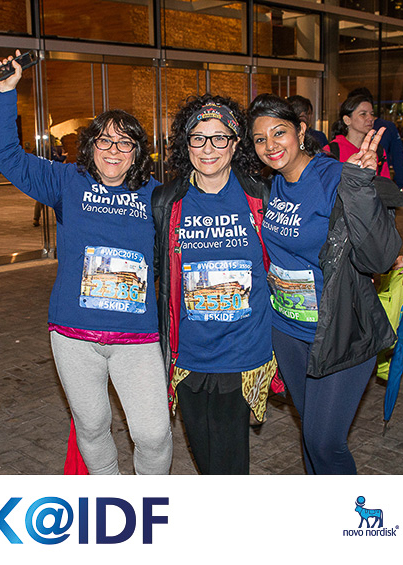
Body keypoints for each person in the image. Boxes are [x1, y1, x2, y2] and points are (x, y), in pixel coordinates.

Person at [0, 51, 172, 475]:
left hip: (138, 337)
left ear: (137, 153)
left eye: (124, 143)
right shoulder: (67, 181)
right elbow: (7, 155)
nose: (114, 150)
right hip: (73, 335)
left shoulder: (158, 196)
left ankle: (150, 499)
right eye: (104, 140)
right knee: (92, 426)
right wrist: (5, 92)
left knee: (153, 434)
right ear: (90, 146)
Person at [249, 93, 402, 474]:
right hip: (288, 332)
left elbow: (380, 257)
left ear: (301, 131)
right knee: (310, 432)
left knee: (324, 441)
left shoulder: (334, 176)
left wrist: (360, 185)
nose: (270, 145)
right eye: (260, 138)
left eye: (279, 132)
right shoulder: (271, 185)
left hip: (340, 330)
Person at [152, 94, 276, 474]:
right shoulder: (166, 201)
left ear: (235, 144)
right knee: (205, 456)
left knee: (228, 459)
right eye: (198, 138)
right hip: (188, 353)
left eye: (219, 137)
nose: (208, 148)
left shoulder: (260, 196)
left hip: (241, 351)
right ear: (186, 144)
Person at [348, 87, 403, 192]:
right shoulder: (338, 143)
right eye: (362, 113)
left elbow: (398, 157)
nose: (368, 119)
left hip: (378, 188)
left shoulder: (386, 128)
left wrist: (400, 185)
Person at [324, 94, 391, 179]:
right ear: (347, 120)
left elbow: (385, 182)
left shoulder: (377, 150)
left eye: (372, 114)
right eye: (363, 114)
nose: (370, 118)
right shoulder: (331, 151)